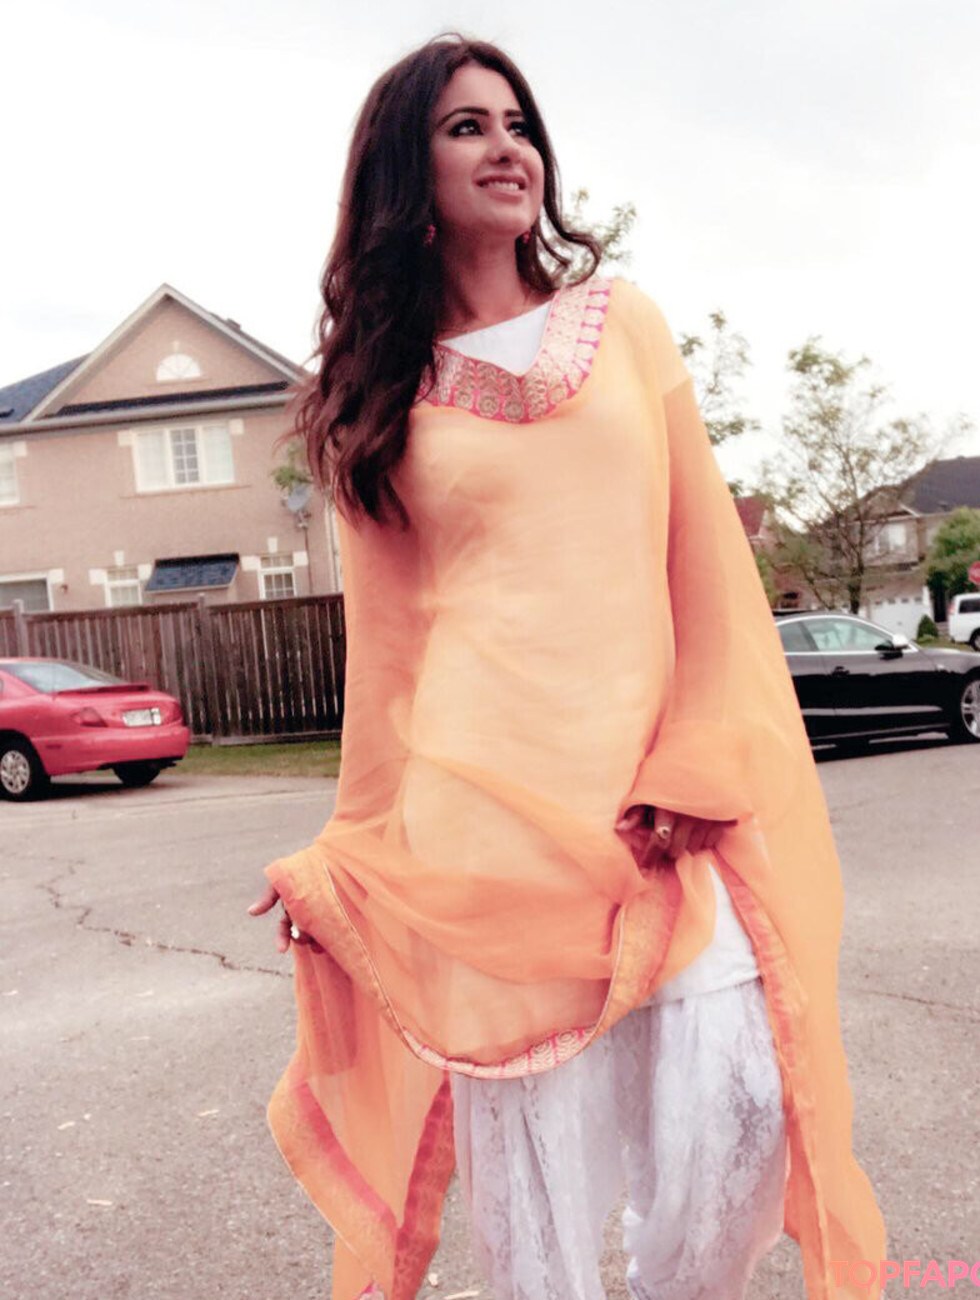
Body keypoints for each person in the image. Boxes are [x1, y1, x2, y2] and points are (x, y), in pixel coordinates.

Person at [248, 33, 886, 1300]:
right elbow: (390, 656)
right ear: (404, 173)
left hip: (659, 809)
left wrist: (697, 755)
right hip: (486, 821)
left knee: (739, 1126)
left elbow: (704, 561)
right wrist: (350, 853)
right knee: (535, 1201)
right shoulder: (378, 394)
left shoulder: (623, 324)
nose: (508, 149)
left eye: (519, 125)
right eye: (467, 128)